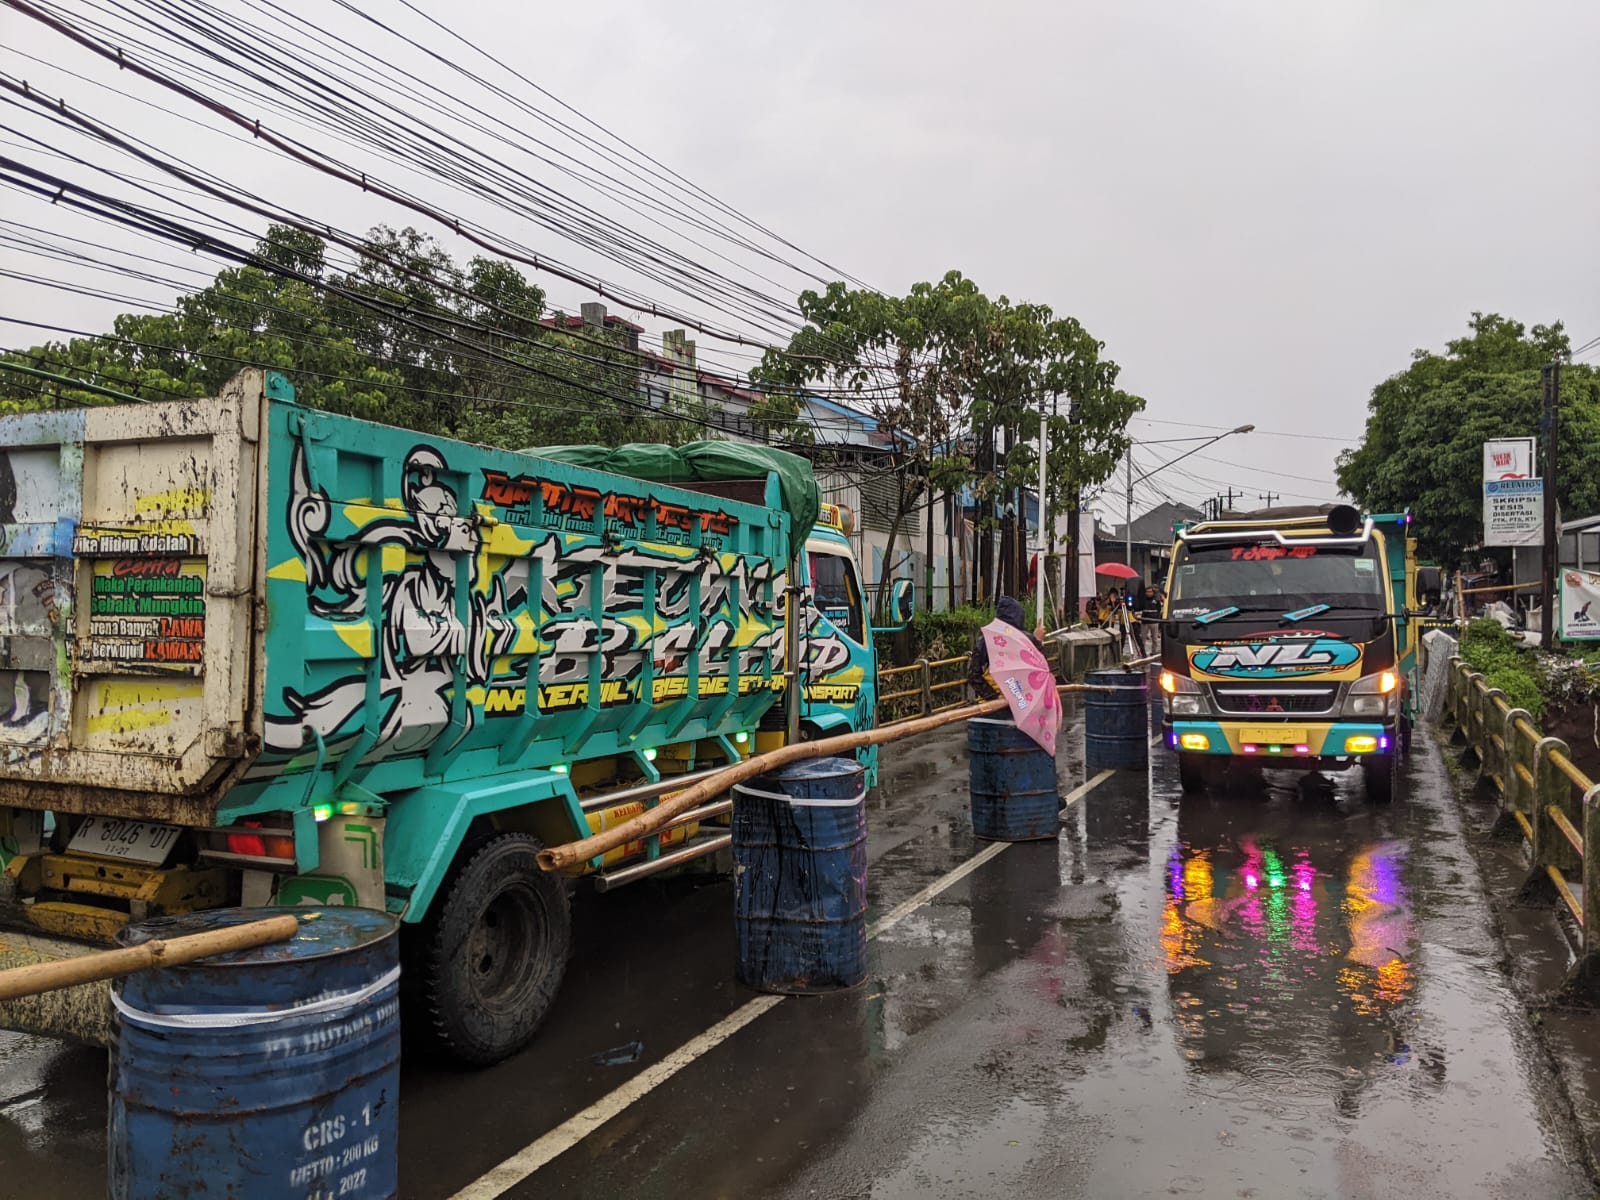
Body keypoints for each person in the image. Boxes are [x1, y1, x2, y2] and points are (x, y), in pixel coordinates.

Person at [968, 595, 1049, 701]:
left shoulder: (984, 641)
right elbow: (1042, 666)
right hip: (1021, 700)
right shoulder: (1025, 640)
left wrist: (993, 697)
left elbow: (974, 676)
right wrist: (1037, 642)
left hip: (991, 705)